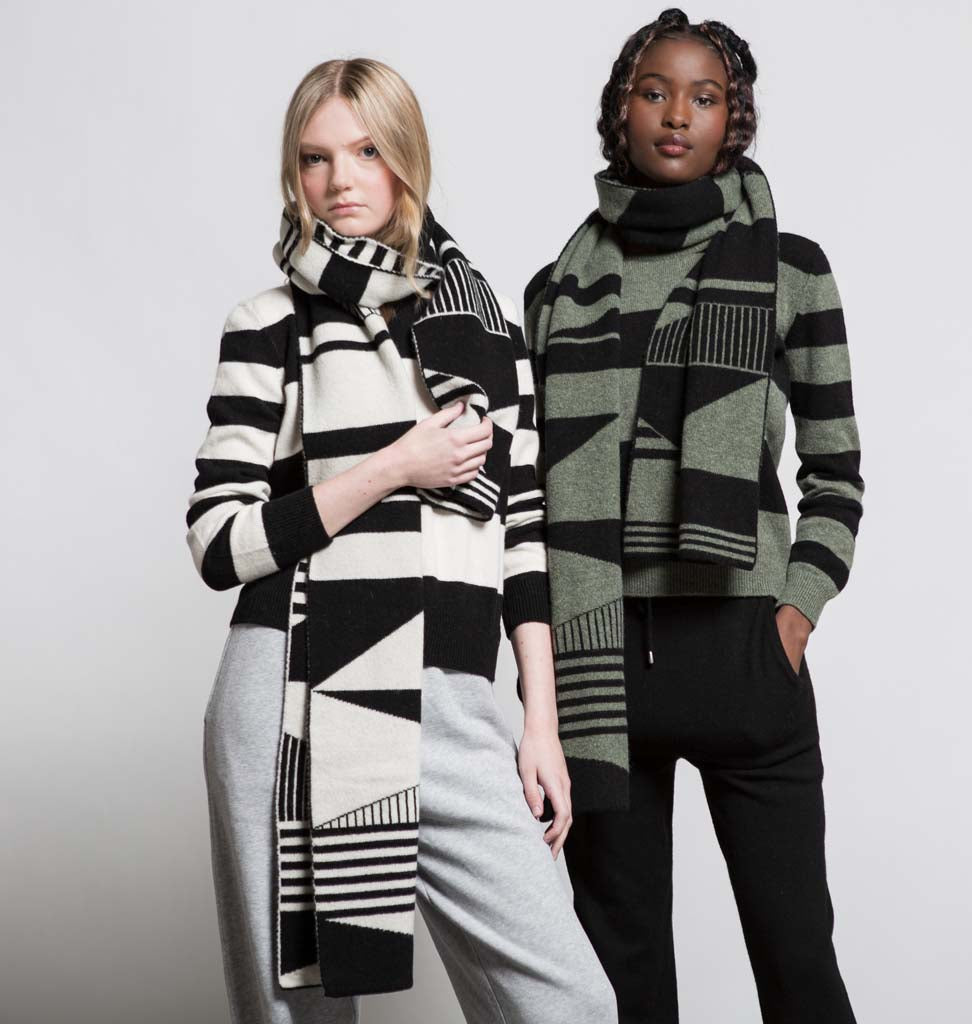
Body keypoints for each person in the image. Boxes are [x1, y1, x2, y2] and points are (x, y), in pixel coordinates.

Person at [186, 57, 617, 1024]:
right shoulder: (268, 327)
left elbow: (523, 534)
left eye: (368, 151)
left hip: (453, 699)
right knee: (298, 1012)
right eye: (315, 158)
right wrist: (392, 466)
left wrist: (540, 725)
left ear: (407, 159)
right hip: (295, 690)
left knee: (573, 1003)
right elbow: (218, 544)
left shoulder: (488, 335)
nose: (341, 180)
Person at [523, 10, 864, 1024]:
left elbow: (837, 470)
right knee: (621, 981)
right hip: (601, 662)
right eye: (655, 92)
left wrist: (794, 613)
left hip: (742, 645)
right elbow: (527, 492)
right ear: (620, 111)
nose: (677, 115)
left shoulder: (790, 268)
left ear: (733, 119)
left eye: (704, 98)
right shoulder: (556, 292)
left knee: (798, 966)